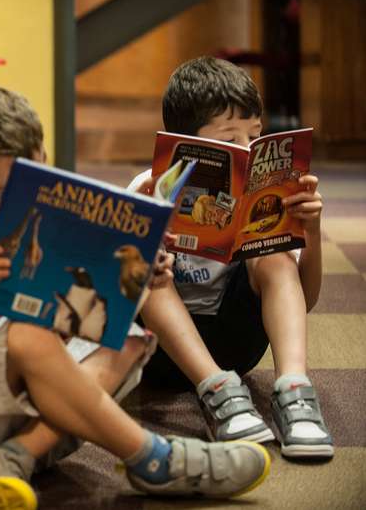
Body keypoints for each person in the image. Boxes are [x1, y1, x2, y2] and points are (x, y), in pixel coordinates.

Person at [0, 77, 270, 510]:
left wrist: (142, 274)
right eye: (2, 194)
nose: (23, 201)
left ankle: (13, 457)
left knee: (127, 334)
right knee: (27, 333)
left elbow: (87, 311)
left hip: (31, 417)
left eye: (35, 181)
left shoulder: (47, 228)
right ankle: (154, 457)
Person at [131, 56, 331, 459]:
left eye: (254, 136)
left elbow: (304, 301)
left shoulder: (266, 194)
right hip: (162, 351)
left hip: (238, 344)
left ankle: (294, 390)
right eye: (229, 140)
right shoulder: (147, 187)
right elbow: (110, 299)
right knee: (147, 271)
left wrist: (309, 230)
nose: (246, 150)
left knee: (273, 257)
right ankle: (217, 391)